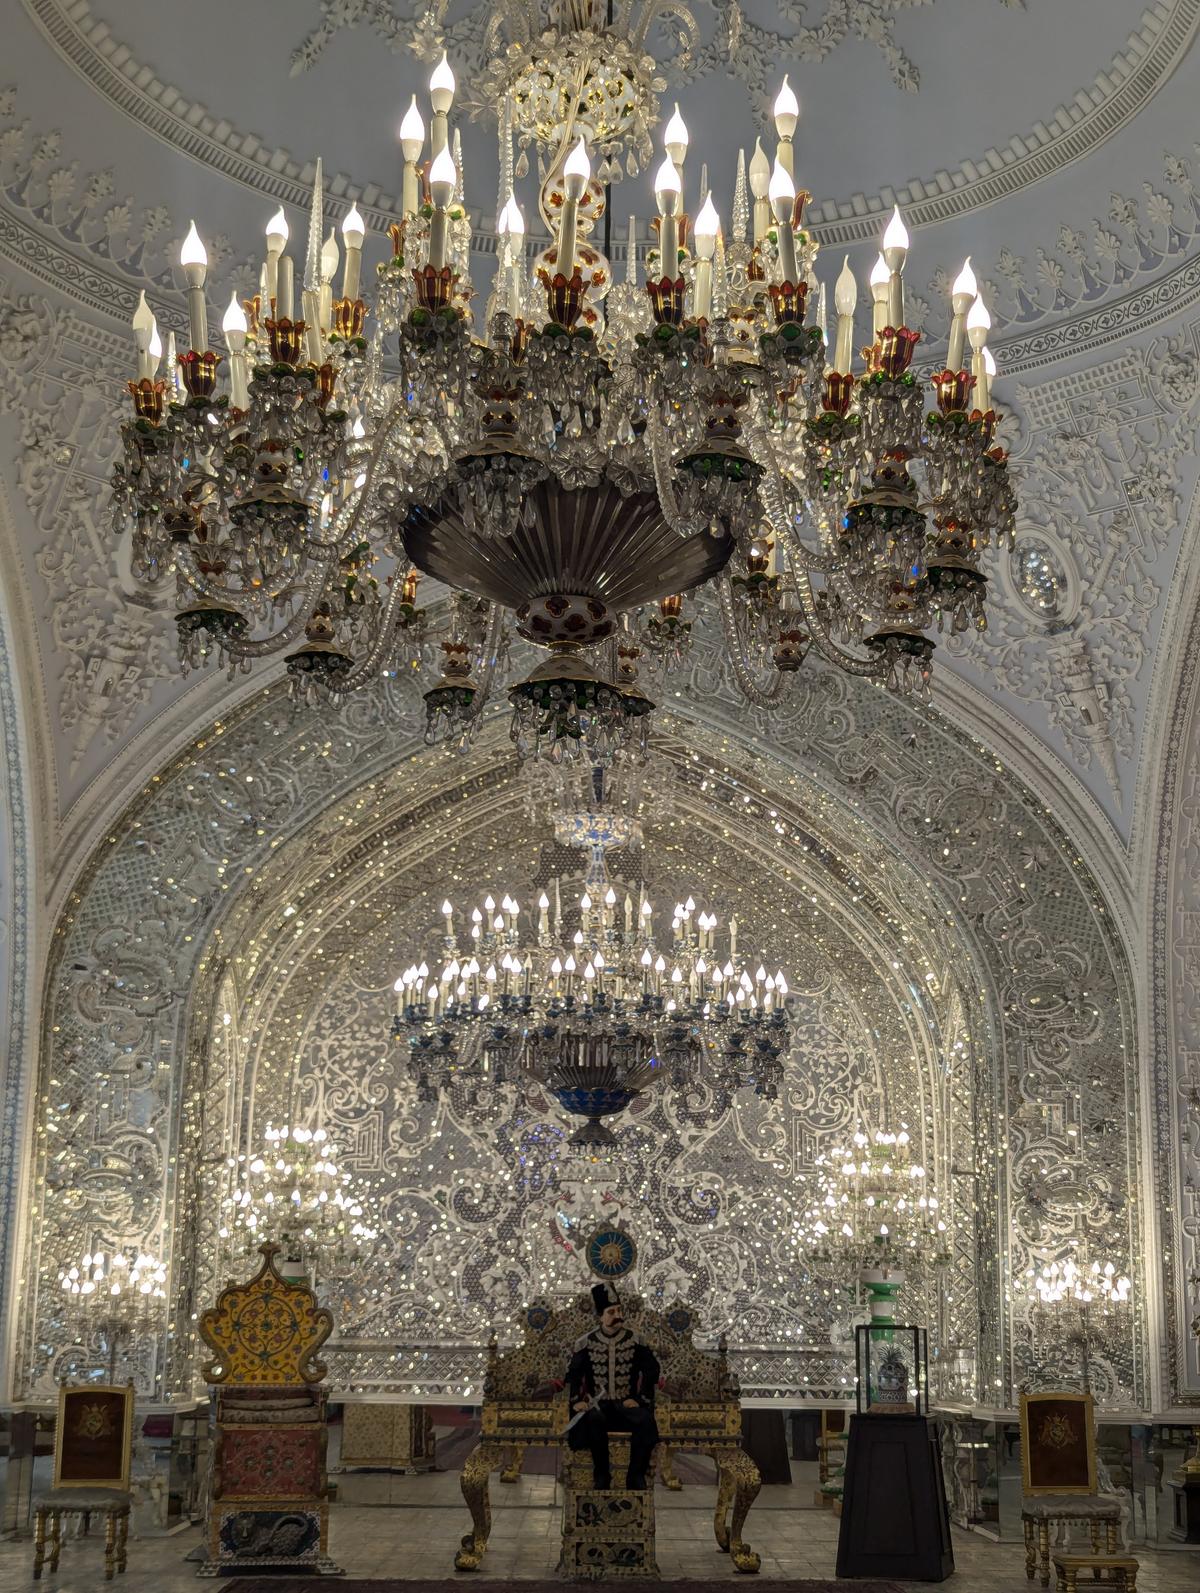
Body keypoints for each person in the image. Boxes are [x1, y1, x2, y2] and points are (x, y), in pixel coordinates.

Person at [565, 1282, 660, 1490]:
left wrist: (638, 1398)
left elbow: (652, 1370)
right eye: (611, 1311)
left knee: (645, 1420)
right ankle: (602, 1475)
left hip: (625, 1405)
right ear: (601, 1316)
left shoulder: (635, 1341)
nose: (617, 1315)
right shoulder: (586, 1343)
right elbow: (573, 1375)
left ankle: (635, 1475)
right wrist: (577, 1402)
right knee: (593, 1419)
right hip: (597, 1407)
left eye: (619, 1310)